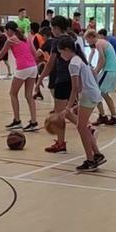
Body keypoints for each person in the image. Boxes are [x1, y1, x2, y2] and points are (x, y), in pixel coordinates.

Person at [37, 15, 86, 153]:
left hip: (61, 79)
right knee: (65, 111)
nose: (51, 30)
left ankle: (62, 142)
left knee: (60, 113)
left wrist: (40, 79)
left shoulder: (56, 42)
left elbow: (50, 64)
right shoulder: (71, 38)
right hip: (71, 79)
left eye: (52, 27)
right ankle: (84, 129)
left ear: (57, 28)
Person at [57, 36, 106, 172]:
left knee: (81, 127)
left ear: (67, 50)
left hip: (89, 94)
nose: (61, 56)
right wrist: (74, 106)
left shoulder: (73, 63)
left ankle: (90, 160)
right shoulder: (78, 59)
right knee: (82, 126)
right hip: (92, 93)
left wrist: (68, 107)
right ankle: (97, 154)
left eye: (61, 52)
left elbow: (75, 88)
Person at [0, 21, 39, 132]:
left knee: (13, 93)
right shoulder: (25, 38)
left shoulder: (10, 40)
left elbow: (1, 55)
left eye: (6, 31)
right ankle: (34, 122)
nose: (6, 33)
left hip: (23, 68)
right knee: (29, 95)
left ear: (9, 30)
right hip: (33, 67)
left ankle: (17, 121)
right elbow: (34, 53)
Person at [85, 29, 116, 125]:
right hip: (111, 70)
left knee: (96, 92)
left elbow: (102, 60)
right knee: (104, 94)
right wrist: (96, 70)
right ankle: (114, 116)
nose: (87, 42)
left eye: (87, 40)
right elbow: (101, 59)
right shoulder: (102, 42)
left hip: (109, 70)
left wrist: (96, 71)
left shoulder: (98, 43)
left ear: (92, 37)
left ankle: (103, 116)